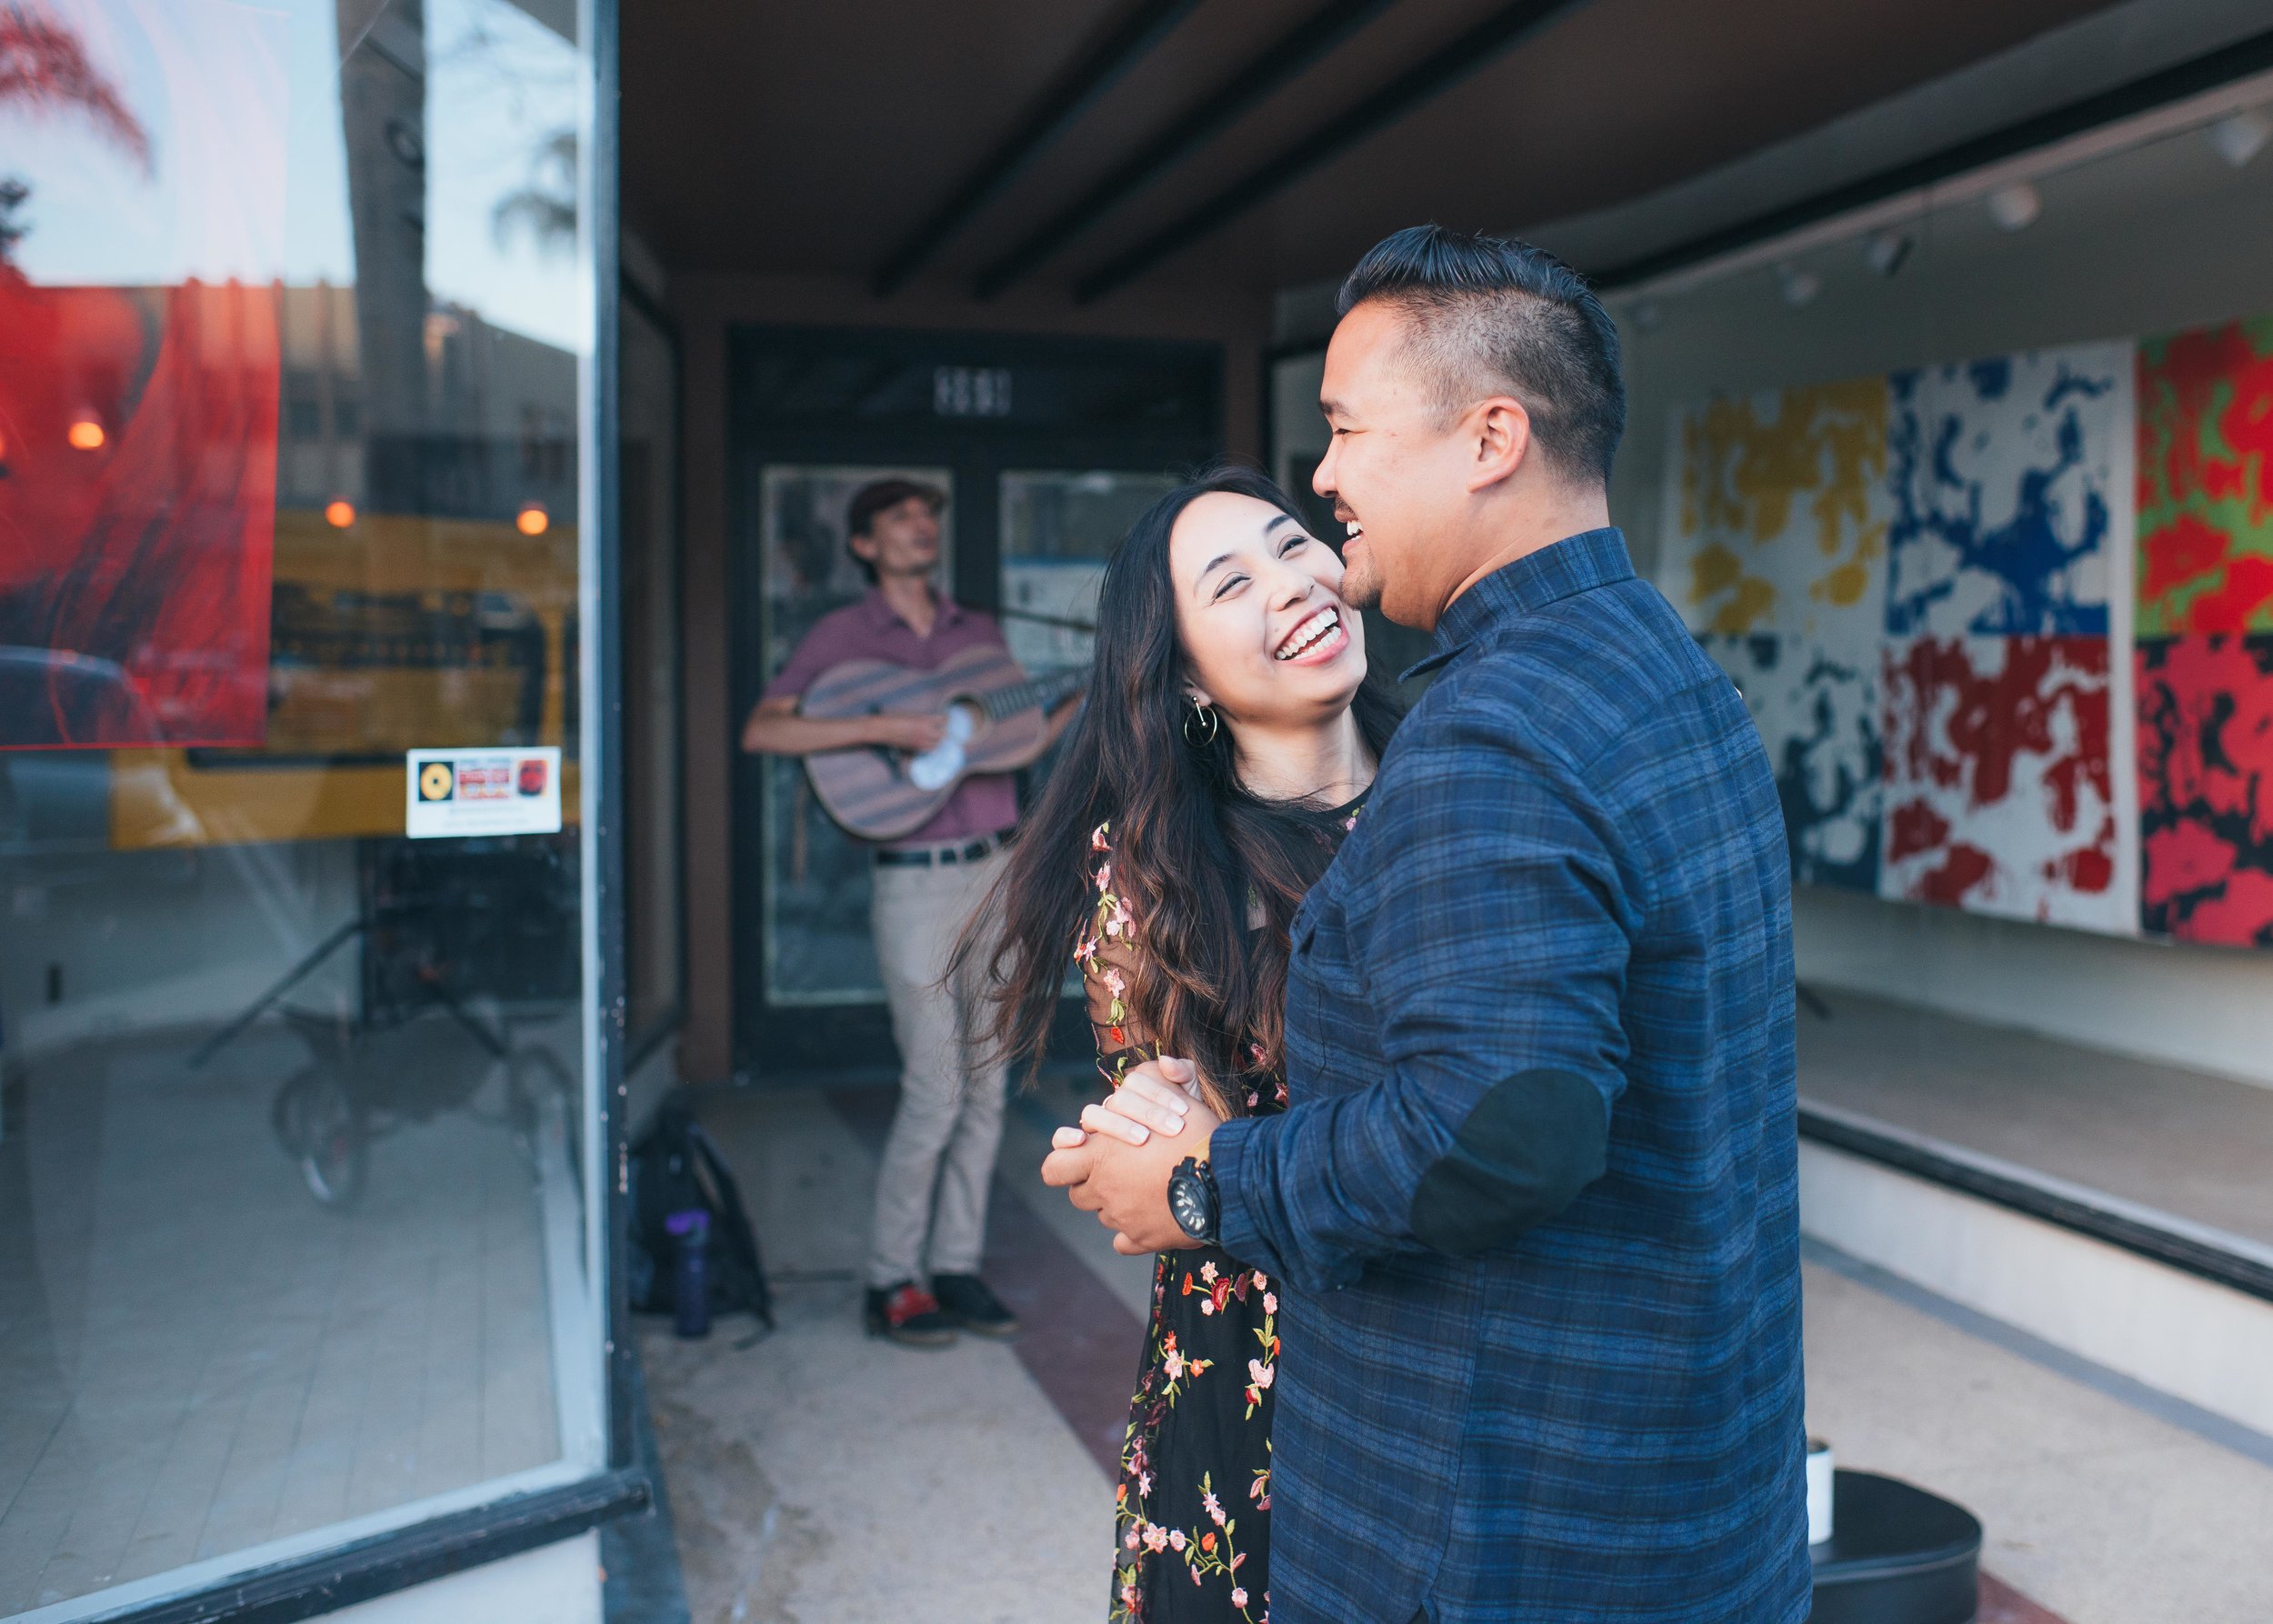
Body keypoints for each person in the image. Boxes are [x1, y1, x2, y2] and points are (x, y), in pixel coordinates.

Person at [1045, 226, 1811, 1624]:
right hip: (1681, 1489)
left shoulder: (1487, 736)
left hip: (1511, 1524)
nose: (1324, 477)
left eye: (1343, 430)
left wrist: (1212, 1180)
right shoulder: (1657, 665)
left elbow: (1499, 1127)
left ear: (1489, 438)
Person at [962, 466, 1397, 1623]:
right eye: (1231, 582)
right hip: (1256, 1365)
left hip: (1450, 1338)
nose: (1293, 584)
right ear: (1189, 680)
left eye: (1291, 544)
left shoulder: (1457, 785)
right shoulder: (1160, 867)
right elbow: (1170, 1149)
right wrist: (1146, 1148)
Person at [743, 476, 1076, 1348]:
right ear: (863, 544)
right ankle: (892, 1278)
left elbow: (1018, 739)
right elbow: (767, 730)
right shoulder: (842, 637)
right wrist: (884, 729)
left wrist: (1100, 689)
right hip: (916, 883)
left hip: (998, 869)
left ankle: (956, 1267)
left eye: (928, 513)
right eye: (900, 518)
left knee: (989, 1089)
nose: (921, 526)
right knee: (936, 1088)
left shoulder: (977, 632)